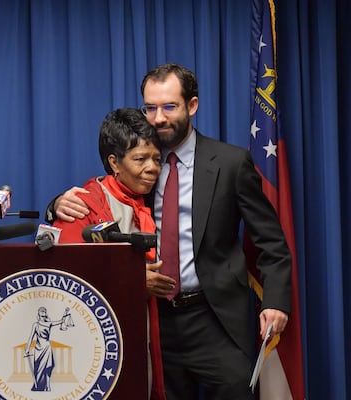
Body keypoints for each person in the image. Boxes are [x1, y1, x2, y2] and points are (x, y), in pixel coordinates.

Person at [47, 64, 292, 399]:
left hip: (217, 319)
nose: (158, 118)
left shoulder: (231, 163)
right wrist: (56, 204)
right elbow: (102, 199)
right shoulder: (140, 163)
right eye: (151, 108)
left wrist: (276, 303)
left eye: (169, 107)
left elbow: (272, 244)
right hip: (155, 322)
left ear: (192, 106)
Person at [50, 107, 167, 400]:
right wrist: (132, 280)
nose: (152, 168)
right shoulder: (85, 203)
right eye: (140, 159)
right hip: (96, 344)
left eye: (156, 159)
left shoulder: (148, 195)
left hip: (143, 330)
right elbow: (63, 278)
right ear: (114, 162)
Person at [24, 307, 72, 392]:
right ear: (38, 313)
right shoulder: (36, 324)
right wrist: (28, 348)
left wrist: (66, 312)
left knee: (48, 367)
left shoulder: (49, 323)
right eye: (41, 311)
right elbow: (31, 337)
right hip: (38, 349)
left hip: (47, 347)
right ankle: (38, 386)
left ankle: (48, 386)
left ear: (46, 313)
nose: (43, 312)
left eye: (44, 311)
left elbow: (61, 321)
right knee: (37, 367)